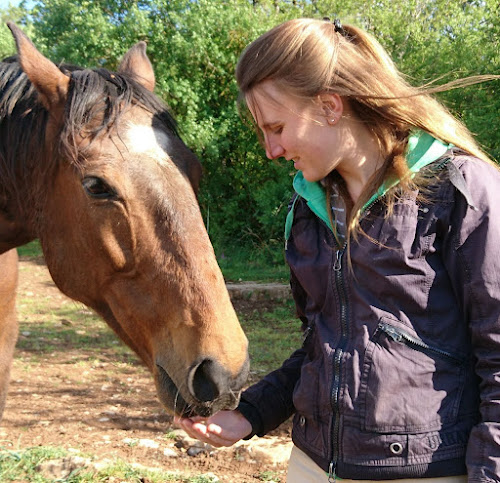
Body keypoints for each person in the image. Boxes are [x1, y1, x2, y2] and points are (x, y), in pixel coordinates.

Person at [175, 17, 500, 482]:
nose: (270, 149)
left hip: (425, 470)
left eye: (277, 127)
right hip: (311, 465)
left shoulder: (462, 193)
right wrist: (250, 414)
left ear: (329, 106)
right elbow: (322, 343)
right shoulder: (306, 212)